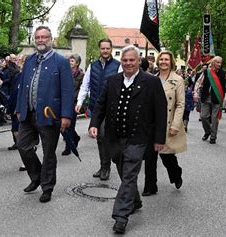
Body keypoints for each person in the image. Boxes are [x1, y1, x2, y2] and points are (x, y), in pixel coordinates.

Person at [88, 45, 167, 234]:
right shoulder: (112, 80)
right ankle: (136, 200)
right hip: (114, 137)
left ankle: (121, 216)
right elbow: (100, 104)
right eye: (125, 60)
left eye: (132, 60)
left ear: (139, 61)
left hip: (138, 137)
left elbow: (161, 111)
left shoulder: (151, 82)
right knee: (124, 171)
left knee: (130, 174)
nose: (128, 63)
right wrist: (94, 124)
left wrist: (159, 139)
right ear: (121, 62)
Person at [15, 26, 73, 203]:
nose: (40, 40)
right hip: (28, 114)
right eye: (37, 37)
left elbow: (67, 90)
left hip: (50, 115)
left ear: (51, 39)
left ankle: (47, 187)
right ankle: (37, 176)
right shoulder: (30, 60)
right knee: (22, 146)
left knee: (48, 153)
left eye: (44, 37)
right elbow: (22, 86)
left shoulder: (61, 62)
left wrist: (66, 115)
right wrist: (19, 108)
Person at [76, 38, 121, 181]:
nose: (105, 51)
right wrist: (80, 101)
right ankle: (104, 166)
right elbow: (85, 85)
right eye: (103, 48)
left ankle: (106, 167)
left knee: (103, 136)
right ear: (99, 49)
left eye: (108, 48)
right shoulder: (92, 66)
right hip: (96, 107)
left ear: (111, 49)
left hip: (111, 108)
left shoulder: (118, 66)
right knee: (99, 138)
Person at [142, 50, 186, 197]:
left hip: (167, 123)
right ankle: (150, 186)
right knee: (149, 156)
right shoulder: (152, 79)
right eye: (161, 59)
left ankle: (175, 173)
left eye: (166, 59)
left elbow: (180, 104)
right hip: (151, 124)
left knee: (166, 155)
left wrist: (175, 125)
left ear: (171, 61)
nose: (163, 62)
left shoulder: (178, 80)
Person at [200, 56, 226, 144]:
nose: (220, 64)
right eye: (218, 62)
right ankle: (207, 131)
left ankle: (213, 136)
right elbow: (200, 82)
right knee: (203, 116)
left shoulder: (223, 73)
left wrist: (224, 97)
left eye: (220, 63)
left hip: (217, 97)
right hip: (206, 97)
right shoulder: (206, 71)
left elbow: (223, 87)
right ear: (213, 62)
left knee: (214, 118)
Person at [62, 54, 83, 156]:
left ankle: (68, 147)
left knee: (70, 126)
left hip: (74, 103)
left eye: (72, 61)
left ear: (77, 63)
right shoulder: (64, 73)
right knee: (62, 125)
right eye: (69, 61)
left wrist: (77, 101)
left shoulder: (81, 75)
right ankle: (75, 138)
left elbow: (82, 90)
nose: (70, 63)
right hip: (64, 102)